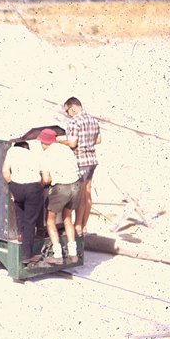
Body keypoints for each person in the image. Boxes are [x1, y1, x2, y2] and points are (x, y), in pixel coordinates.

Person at [57, 97, 101, 236]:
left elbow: (72, 143)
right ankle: (84, 225)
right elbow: (98, 140)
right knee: (87, 193)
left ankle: (77, 226)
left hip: (80, 160)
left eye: (67, 111)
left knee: (81, 195)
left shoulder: (75, 121)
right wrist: (87, 142)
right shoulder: (92, 119)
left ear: (73, 107)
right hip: (92, 159)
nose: (68, 114)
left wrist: (60, 141)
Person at [38, 128, 81, 264]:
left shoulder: (46, 155)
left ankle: (57, 255)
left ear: (44, 143)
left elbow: (46, 179)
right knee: (67, 218)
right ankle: (73, 253)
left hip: (61, 188)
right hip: (75, 186)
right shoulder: (66, 149)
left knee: (50, 220)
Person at [2, 140, 45, 265]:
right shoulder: (35, 154)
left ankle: (20, 234)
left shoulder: (12, 151)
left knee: (19, 207)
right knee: (30, 221)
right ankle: (27, 255)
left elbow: (5, 171)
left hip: (17, 186)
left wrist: (12, 185)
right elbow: (43, 176)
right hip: (33, 187)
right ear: (27, 147)